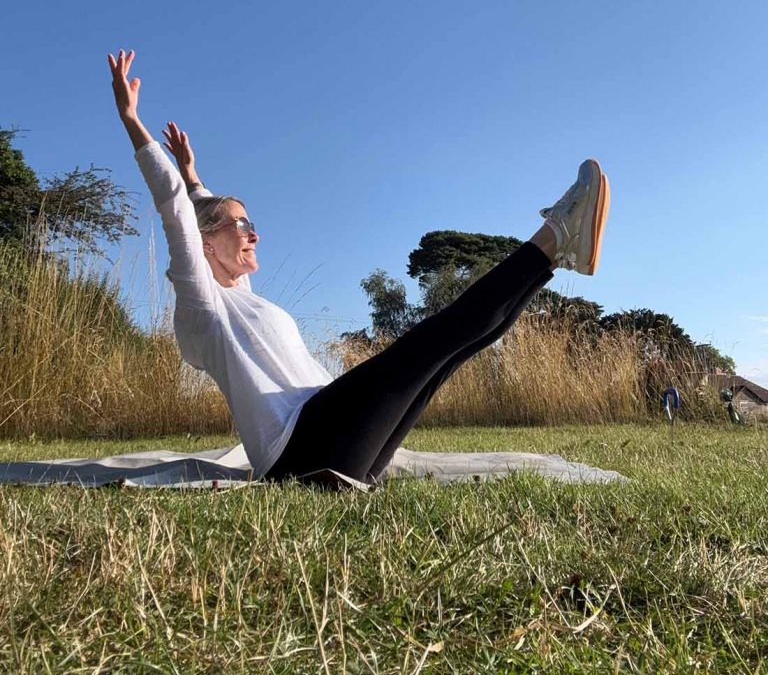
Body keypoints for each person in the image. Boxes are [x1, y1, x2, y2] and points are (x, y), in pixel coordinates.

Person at [109, 49, 610, 486]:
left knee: (451, 351)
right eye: (240, 227)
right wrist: (135, 125)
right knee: (435, 337)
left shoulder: (241, 297)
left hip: (336, 446)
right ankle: (554, 237)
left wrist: (196, 176)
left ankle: (556, 254)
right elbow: (178, 211)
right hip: (302, 450)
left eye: (250, 222)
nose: (253, 233)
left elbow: (196, 208)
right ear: (206, 245)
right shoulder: (203, 306)